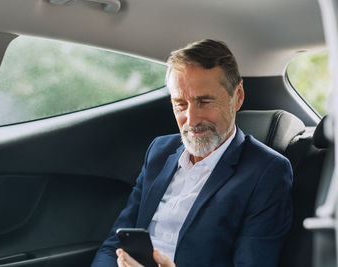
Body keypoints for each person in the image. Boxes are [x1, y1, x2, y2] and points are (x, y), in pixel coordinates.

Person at [91, 39, 292, 267]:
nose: (192, 119)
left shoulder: (267, 172)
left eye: (204, 101)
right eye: (180, 104)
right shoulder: (159, 151)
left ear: (238, 97)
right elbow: (113, 246)